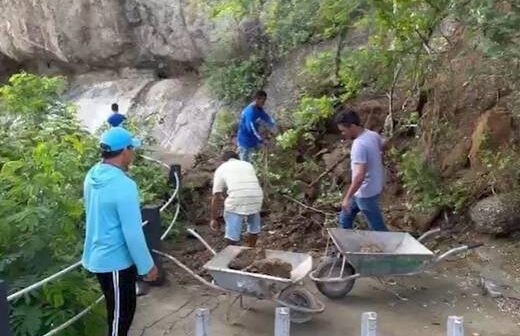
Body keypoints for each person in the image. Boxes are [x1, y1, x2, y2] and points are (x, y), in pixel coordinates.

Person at [82, 127, 158, 336]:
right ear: (124, 151)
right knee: (119, 319)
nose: (133, 153)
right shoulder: (124, 185)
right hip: (115, 261)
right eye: (132, 148)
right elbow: (132, 232)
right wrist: (147, 266)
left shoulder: (92, 175)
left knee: (118, 312)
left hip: (99, 255)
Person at [337, 109, 388, 231]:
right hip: (371, 187)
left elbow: (359, 175)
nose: (343, 134)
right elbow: (383, 147)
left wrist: (347, 197)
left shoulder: (359, 145)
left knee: (378, 228)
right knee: (345, 218)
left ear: (352, 126)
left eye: (344, 130)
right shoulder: (372, 135)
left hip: (365, 193)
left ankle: (392, 247)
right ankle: (347, 246)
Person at [210, 151, 264, 247]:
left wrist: (214, 218)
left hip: (238, 198)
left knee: (232, 232)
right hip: (256, 196)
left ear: (223, 161)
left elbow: (216, 196)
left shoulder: (222, 168)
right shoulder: (248, 165)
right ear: (237, 158)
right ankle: (252, 249)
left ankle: (231, 251)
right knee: (253, 227)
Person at [236, 90, 277, 162]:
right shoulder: (250, 112)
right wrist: (262, 140)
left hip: (253, 141)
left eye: (264, 100)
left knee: (254, 161)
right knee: (244, 164)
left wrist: (274, 125)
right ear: (256, 99)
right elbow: (251, 129)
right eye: (262, 100)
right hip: (245, 142)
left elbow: (265, 117)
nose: (264, 102)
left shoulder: (258, 108)